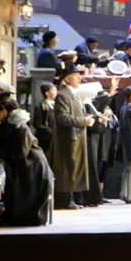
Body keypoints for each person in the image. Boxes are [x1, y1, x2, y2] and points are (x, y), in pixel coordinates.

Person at [0, 92, 52, 226]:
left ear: (3, 111)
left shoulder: (20, 127)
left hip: (31, 167)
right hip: (18, 164)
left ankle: (1, 208)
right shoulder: (6, 125)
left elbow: (19, 153)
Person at [51, 66, 102, 210]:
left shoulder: (75, 94)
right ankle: (66, 200)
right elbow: (63, 117)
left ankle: (73, 199)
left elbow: (76, 114)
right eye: (76, 75)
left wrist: (91, 118)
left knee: (75, 169)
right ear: (67, 79)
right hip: (69, 138)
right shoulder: (63, 95)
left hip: (78, 137)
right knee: (68, 169)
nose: (80, 78)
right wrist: (84, 121)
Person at [30, 82, 58, 163]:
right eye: (54, 90)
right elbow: (36, 123)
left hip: (56, 137)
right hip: (45, 139)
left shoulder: (57, 105)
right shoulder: (41, 106)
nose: (56, 92)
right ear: (47, 93)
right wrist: (48, 131)